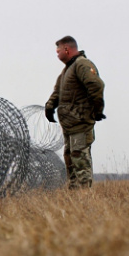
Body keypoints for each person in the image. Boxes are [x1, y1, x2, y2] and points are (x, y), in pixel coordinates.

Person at [44, 36, 105, 189]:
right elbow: (57, 92)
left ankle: (84, 197)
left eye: (58, 51)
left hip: (80, 123)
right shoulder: (66, 71)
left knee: (80, 161)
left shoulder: (82, 65)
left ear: (67, 49)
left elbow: (96, 85)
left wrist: (97, 111)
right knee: (71, 160)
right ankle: (74, 198)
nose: (57, 55)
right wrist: (50, 106)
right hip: (69, 125)